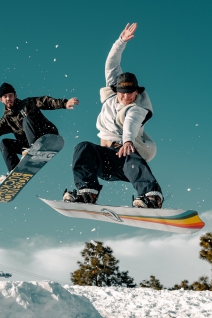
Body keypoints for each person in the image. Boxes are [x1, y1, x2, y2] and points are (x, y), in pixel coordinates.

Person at [63, 23, 163, 208]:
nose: (126, 97)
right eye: (122, 92)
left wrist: (127, 141)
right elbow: (111, 64)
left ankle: (151, 197)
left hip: (125, 162)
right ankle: (87, 192)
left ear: (136, 92)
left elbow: (131, 124)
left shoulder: (137, 108)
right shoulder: (111, 97)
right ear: (116, 90)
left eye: (130, 93)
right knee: (83, 147)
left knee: (130, 154)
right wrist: (121, 42)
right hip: (103, 161)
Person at [0, 83, 79, 182]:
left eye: (10, 95)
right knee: (4, 143)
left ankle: (32, 149)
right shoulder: (6, 120)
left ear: (15, 96)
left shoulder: (28, 103)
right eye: (5, 96)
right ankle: (14, 172)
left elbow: (46, 101)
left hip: (46, 133)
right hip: (28, 146)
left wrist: (64, 103)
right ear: (1, 100)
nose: (8, 98)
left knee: (26, 120)